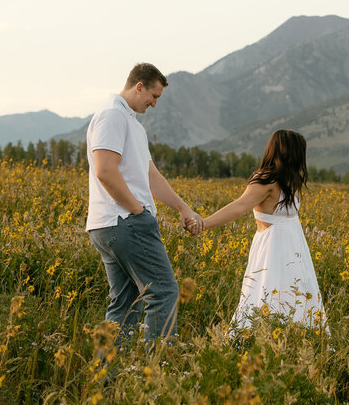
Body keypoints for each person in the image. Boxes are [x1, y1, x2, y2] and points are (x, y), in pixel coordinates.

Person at [85, 63, 203, 344]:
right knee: (163, 291)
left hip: (113, 224)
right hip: (124, 222)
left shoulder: (132, 124)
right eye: (154, 96)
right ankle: (156, 375)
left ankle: (110, 380)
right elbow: (104, 170)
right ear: (139, 86)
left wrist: (183, 208)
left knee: (125, 303)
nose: (154, 103)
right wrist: (138, 212)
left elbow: (152, 176)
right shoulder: (112, 116)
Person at [192, 129, 327, 332]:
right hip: (272, 251)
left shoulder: (291, 180)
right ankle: (264, 338)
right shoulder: (266, 179)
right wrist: (205, 223)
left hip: (296, 251)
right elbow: (239, 206)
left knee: (296, 295)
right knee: (268, 293)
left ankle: (296, 338)